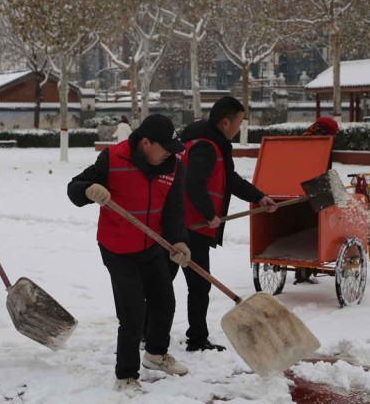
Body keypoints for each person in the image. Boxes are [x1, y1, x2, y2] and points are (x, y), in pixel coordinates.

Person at [67, 114, 190, 394]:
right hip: (117, 248)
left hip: (151, 246)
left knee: (164, 302)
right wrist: (88, 189)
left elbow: (173, 212)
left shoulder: (173, 168)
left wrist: (180, 242)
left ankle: (156, 355)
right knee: (133, 312)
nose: (171, 153)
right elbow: (73, 188)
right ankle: (125, 376)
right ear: (146, 142)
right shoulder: (112, 159)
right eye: (165, 147)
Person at [176, 96, 277, 352]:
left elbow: (228, 178)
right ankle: (197, 340)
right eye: (239, 122)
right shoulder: (207, 146)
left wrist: (258, 196)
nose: (239, 128)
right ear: (225, 122)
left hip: (177, 222)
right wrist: (209, 213)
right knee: (198, 287)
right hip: (191, 228)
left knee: (163, 282)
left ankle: (148, 332)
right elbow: (193, 183)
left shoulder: (204, 139)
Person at [295, 116, 339, 285]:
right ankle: (316, 259)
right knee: (322, 223)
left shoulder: (303, 139)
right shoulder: (324, 143)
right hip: (315, 188)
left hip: (296, 188)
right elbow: (325, 171)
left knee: (303, 224)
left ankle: (302, 271)